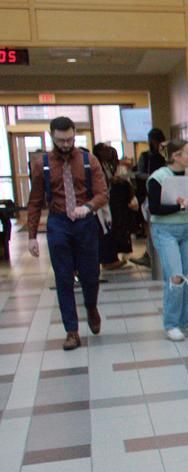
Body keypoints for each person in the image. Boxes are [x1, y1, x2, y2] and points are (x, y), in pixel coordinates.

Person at [26, 116, 108, 351]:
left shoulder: (87, 159)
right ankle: (71, 331)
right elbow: (34, 201)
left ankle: (91, 307)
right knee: (63, 278)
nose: (65, 144)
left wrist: (88, 207)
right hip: (58, 223)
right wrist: (32, 236)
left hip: (85, 221)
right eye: (61, 140)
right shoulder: (42, 164)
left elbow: (103, 193)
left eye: (70, 139)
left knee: (90, 276)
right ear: (51, 136)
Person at [146, 138, 188, 342]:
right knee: (176, 277)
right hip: (165, 230)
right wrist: (181, 207)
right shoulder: (158, 177)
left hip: (187, 229)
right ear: (175, 156)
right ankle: (171, 324)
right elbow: (154, 208)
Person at [131, 127, 167, 267]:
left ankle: (154, 254)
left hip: (163, 194)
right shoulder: (145, 156)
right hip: (147, 193)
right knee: (149, 225)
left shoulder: (165, 156)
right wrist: (153, 177)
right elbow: (139, 173)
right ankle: (149, 253)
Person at [91, 143, 128, 270]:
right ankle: (107, 260)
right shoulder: (96, 165)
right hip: (101, 204)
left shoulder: (106, 165)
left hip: (108, 201)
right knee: (105, 231)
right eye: (105, 150)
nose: (109, 153)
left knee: (109, 229)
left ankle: (111, 258)